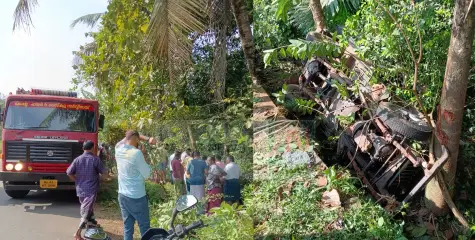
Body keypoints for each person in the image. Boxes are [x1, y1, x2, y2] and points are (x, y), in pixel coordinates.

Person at [115, 130, 157, 240]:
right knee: (145, 228)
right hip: (137, 196)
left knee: (128, 227)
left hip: (122, 195)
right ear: (137, 139)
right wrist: (144, 155)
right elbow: (147, 174)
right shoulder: (137, 153)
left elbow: (128, 137)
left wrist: (146, 138)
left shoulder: (118, 149)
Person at [67, 141, 109, 240]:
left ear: (83, 148)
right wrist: (102, 179)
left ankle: (93, 227)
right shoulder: (95, 160)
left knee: (88, 209)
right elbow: (105, 173)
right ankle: (77, 233)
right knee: (86, 212)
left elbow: (69, 172)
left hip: (80, 189)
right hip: (91, 190)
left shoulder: (77, 159)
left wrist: (77, 180)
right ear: (93, 148)